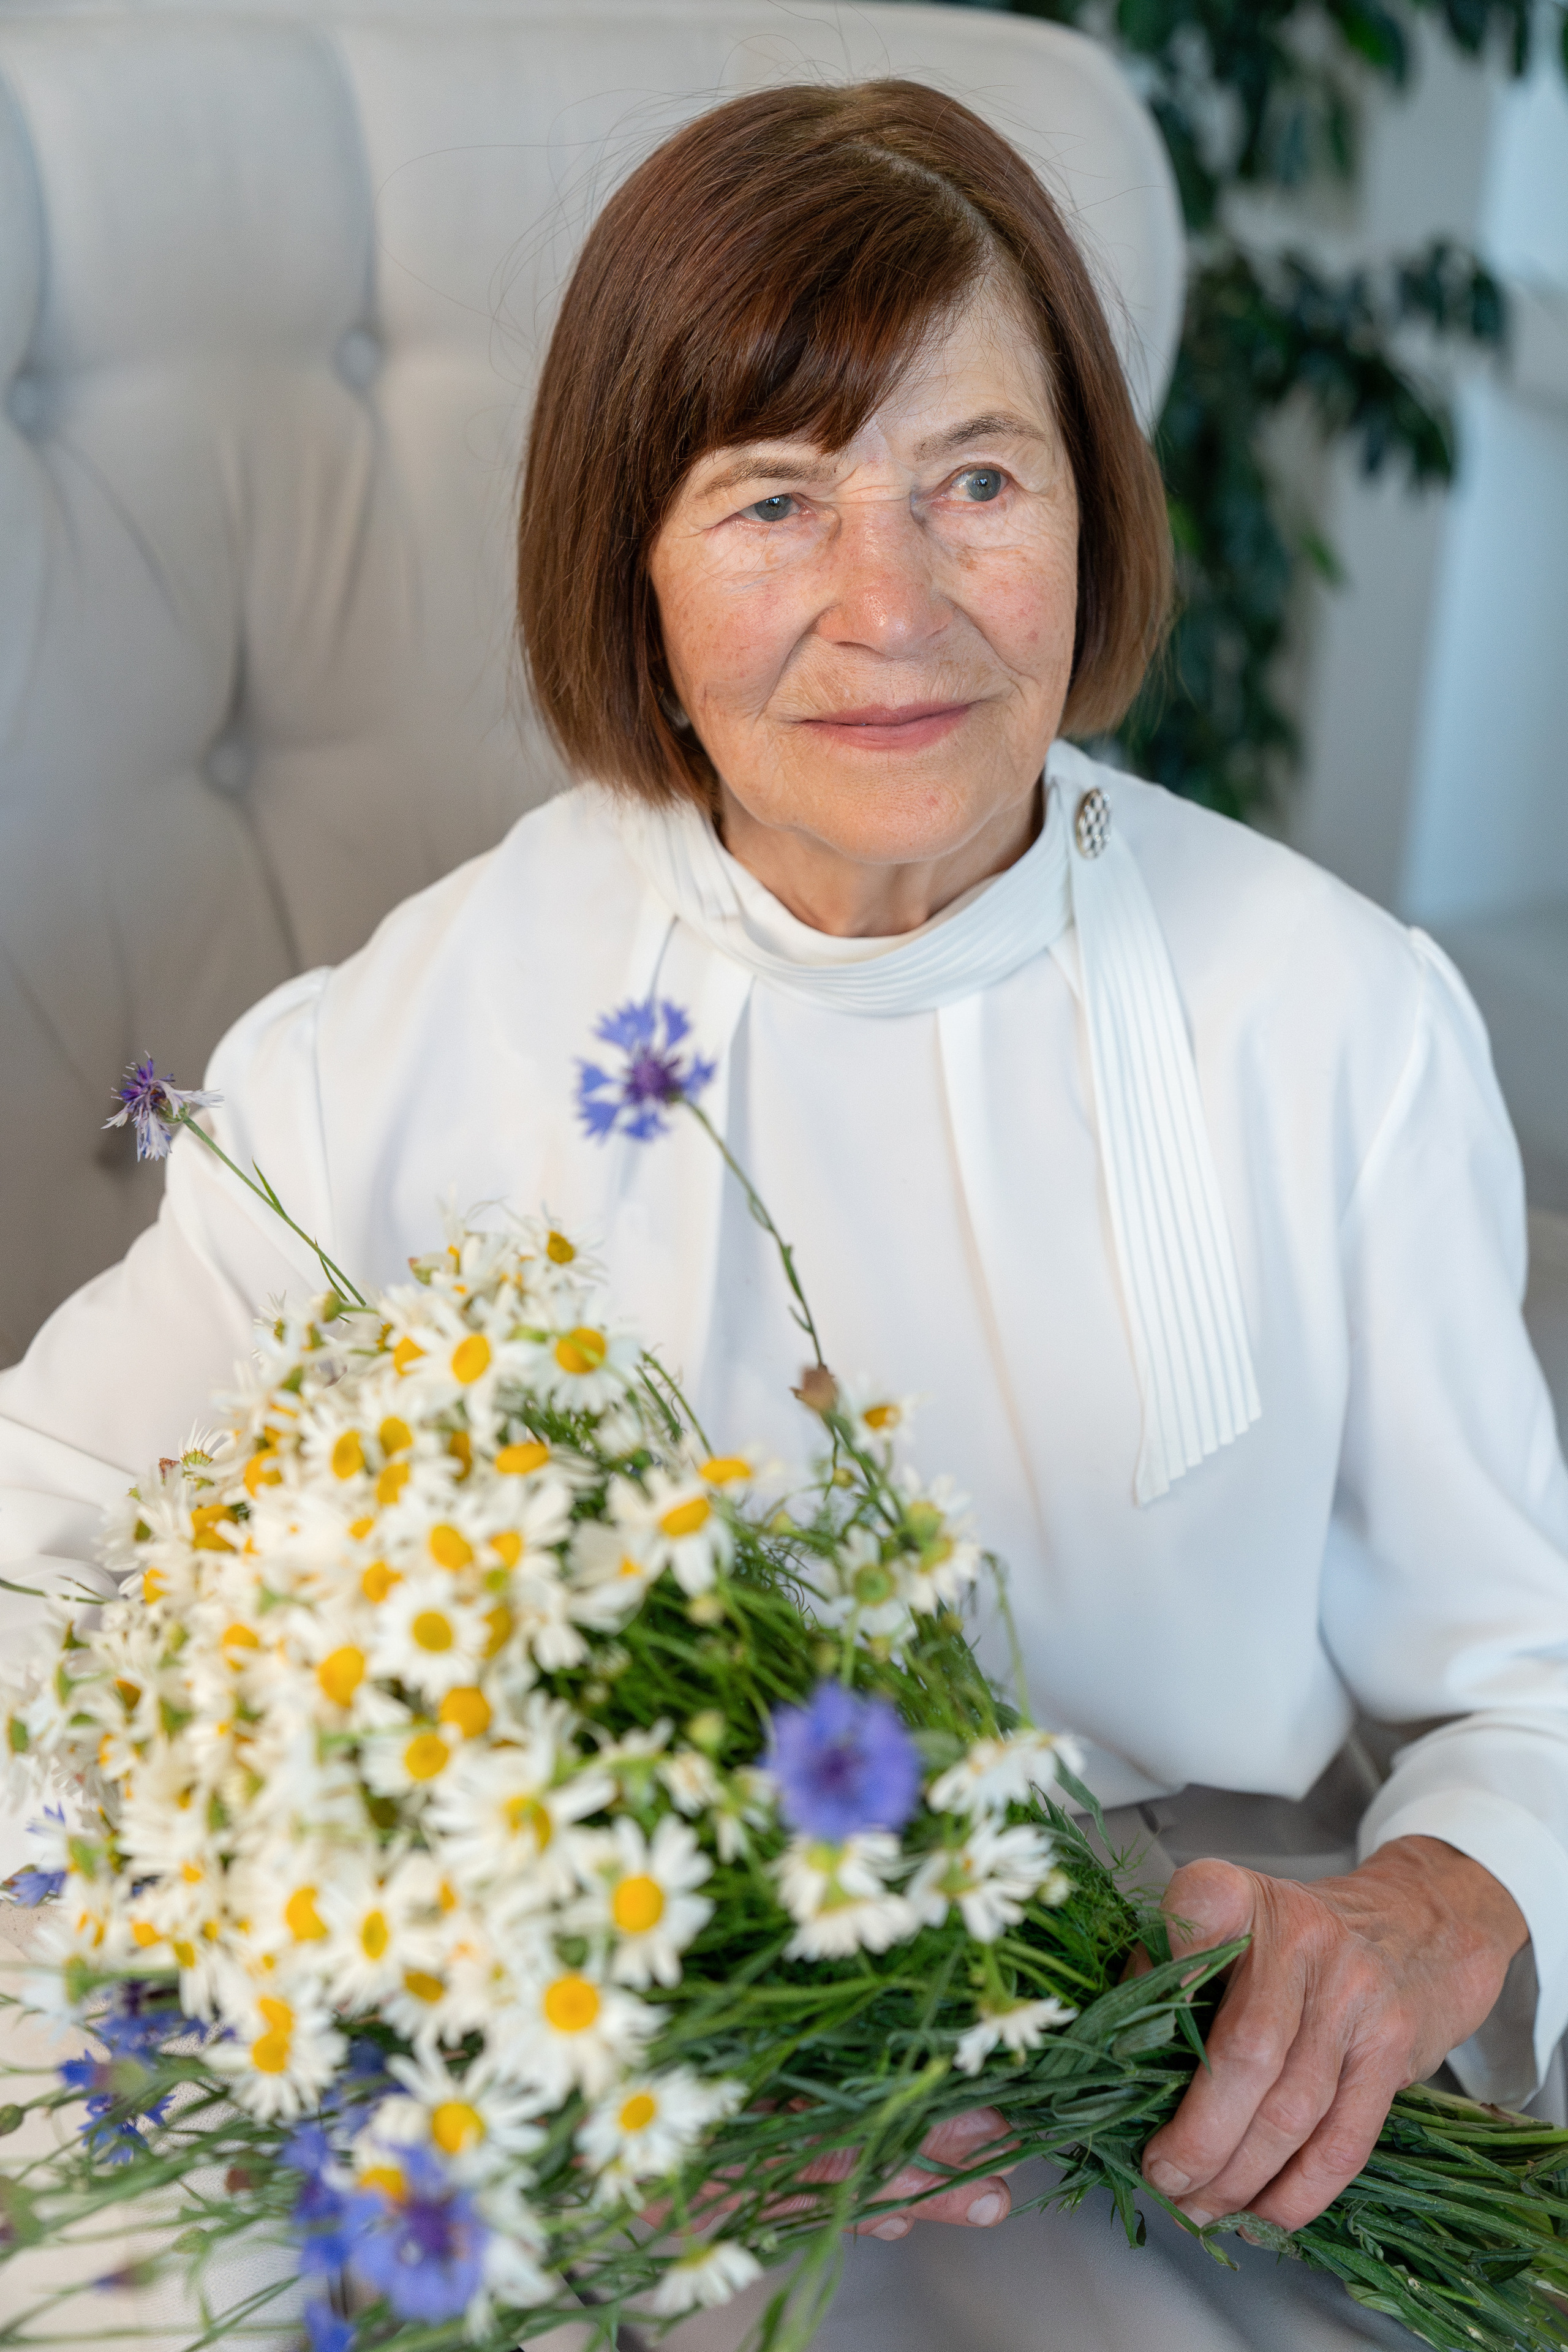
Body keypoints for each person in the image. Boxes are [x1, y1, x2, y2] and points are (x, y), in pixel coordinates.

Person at [2, 78, 1566, 2352]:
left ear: (1092, 516)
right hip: (574, 2099)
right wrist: (486, 1963)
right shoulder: (407, 1038)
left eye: (978, 480)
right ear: (626, 564)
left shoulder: (1344, 1018)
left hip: (1179, 2102)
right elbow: (35, 1536)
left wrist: (1435, 1903)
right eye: (774, 500)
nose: (892, 603)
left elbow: (1527, 1679)